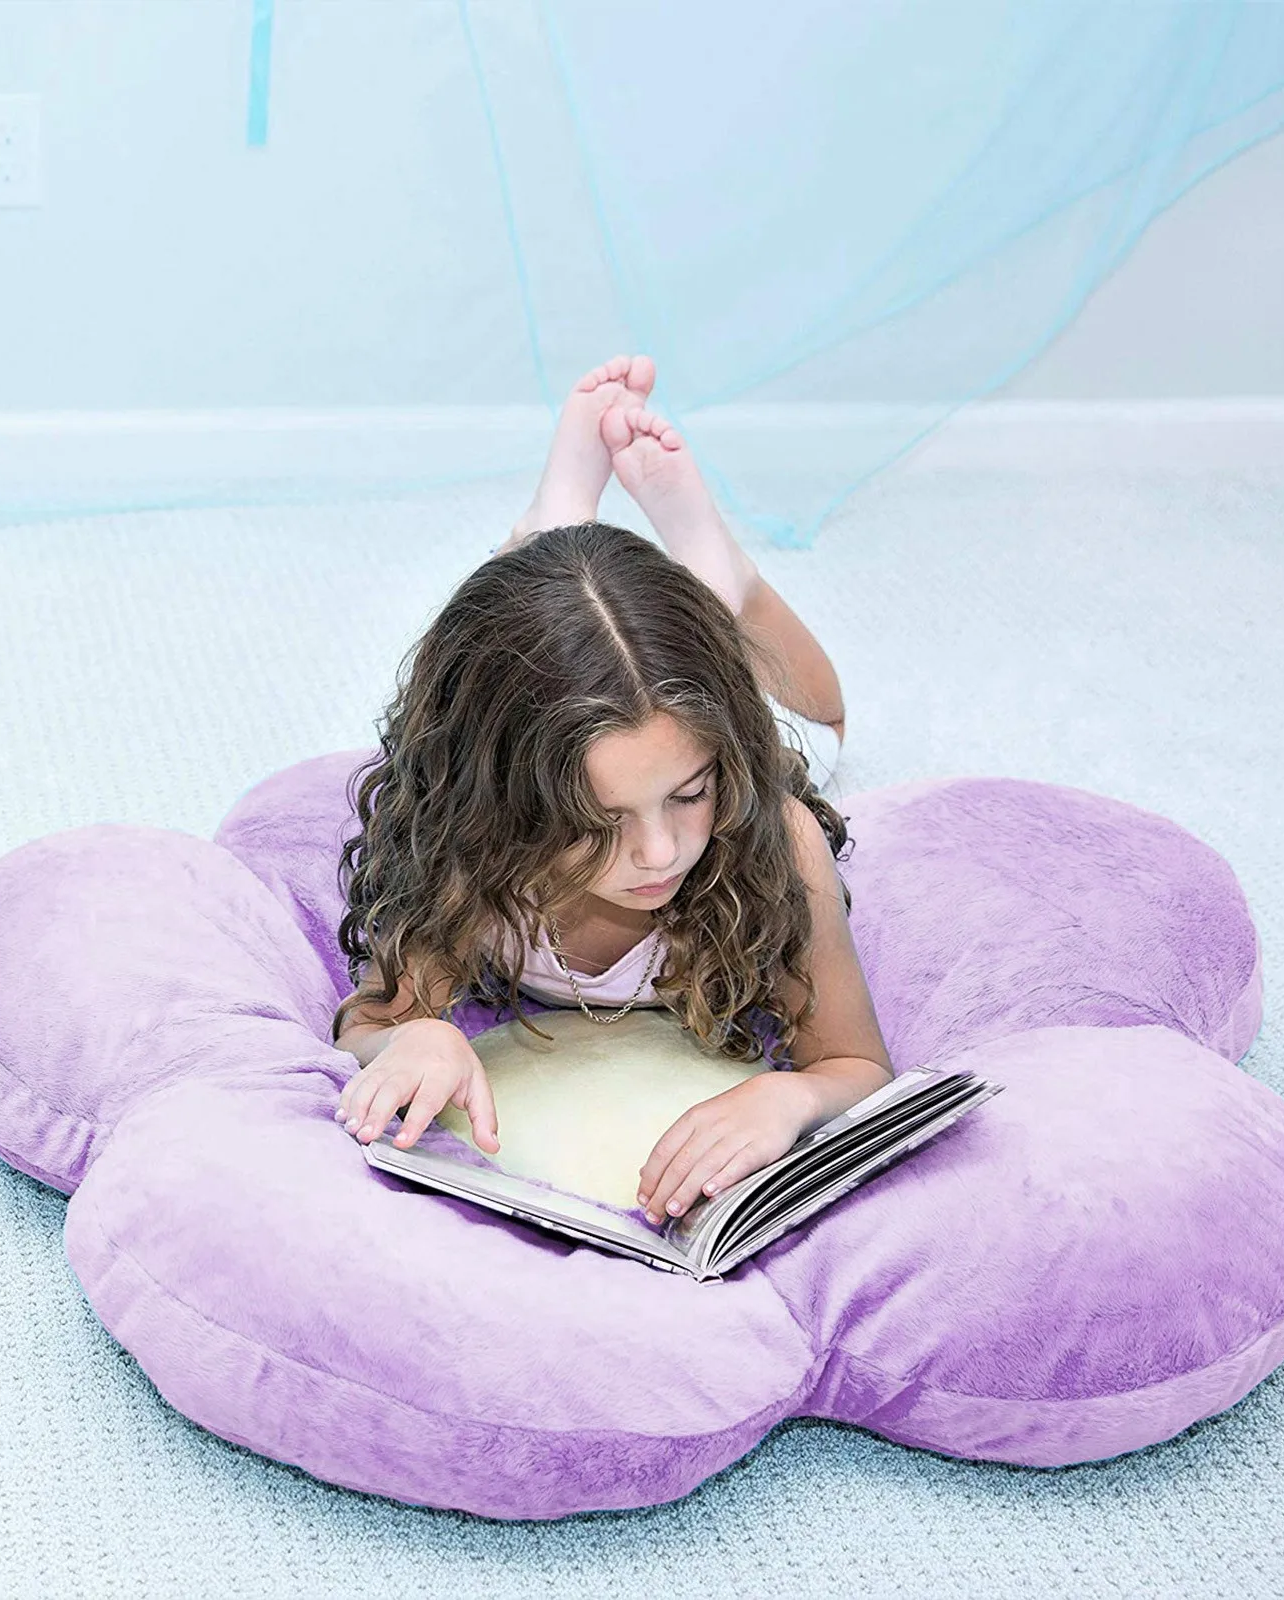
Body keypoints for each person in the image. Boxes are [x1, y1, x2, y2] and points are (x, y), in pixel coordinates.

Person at [330, 355, 894, 1228]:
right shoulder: (469, 853)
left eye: (690, 795)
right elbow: (372, 1021)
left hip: (697, 695)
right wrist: (417, 1036)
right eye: (598, 823)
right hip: (527, 710)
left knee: (823, 734)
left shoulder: (766, 830)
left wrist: (792, 1097)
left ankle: (719, 571)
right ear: (504, 812)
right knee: (465, 686)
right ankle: (548, 526)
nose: (661, 853)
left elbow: (858, 1066)